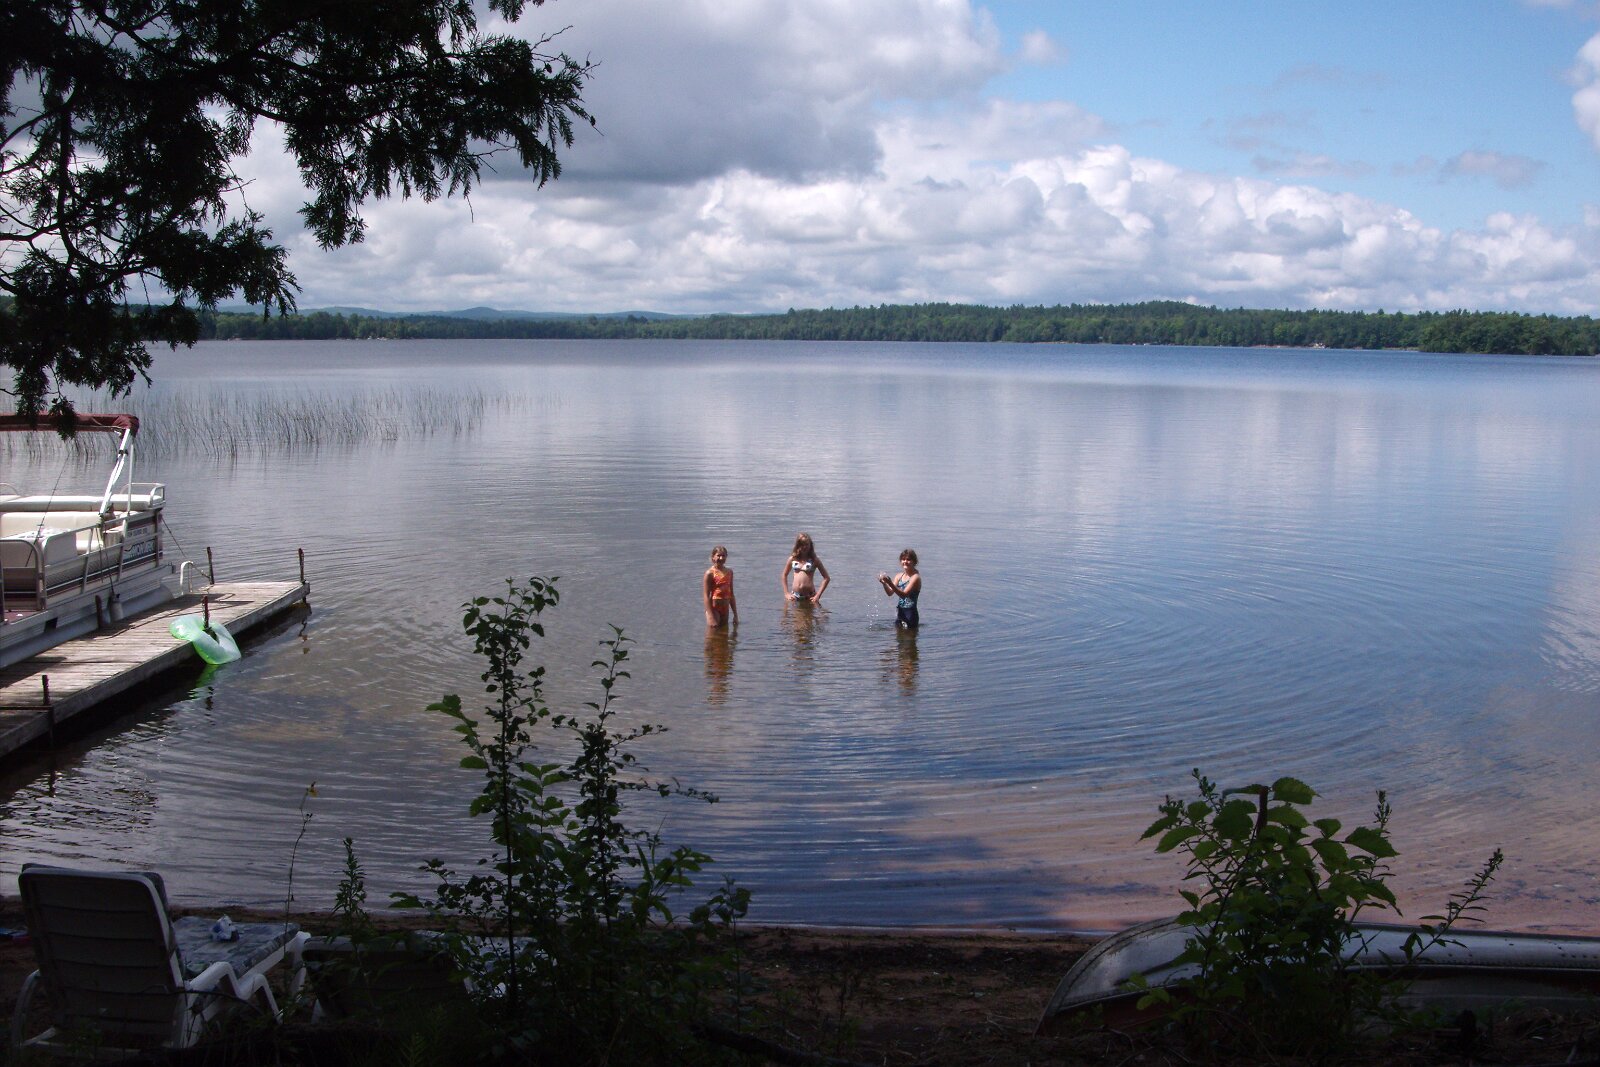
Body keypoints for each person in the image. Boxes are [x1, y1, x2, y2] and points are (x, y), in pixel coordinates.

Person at [780, 532, 830, 604]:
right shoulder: (793, 559)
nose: (804, 547)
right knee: (788, 611)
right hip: (794, 596)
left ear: (810, 545)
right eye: (802, 544)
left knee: (810, 611)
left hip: (810, 596)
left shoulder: (814, 560)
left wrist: (818, 595)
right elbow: (784, 575)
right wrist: (786, 593)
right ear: (798, 545)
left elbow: (826, 578)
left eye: (806, 544)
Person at [878, 548, 921, 628]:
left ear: (914, 562)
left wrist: (890, 583)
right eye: (903, 559)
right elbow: (890, 593)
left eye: (908, 559)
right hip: (900, 612)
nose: (905, 561)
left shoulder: (915, 577)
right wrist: (884, 584)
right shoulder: (899, 576)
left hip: (911, 613)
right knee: (899, 635)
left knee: (910, 635)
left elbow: (904, 595)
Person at [703, 545, 737, 627]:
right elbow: (706, 596)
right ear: (713, 557)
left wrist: (735, 615)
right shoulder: (710, 573)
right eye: (718, 555)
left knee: (724, 632)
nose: (721, 558)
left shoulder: (729, 572)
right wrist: (710, 616)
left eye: (723, 556)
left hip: (725, 609)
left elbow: (731, 594)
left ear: (726, 557)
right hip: (714, 609)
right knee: (713, 632)